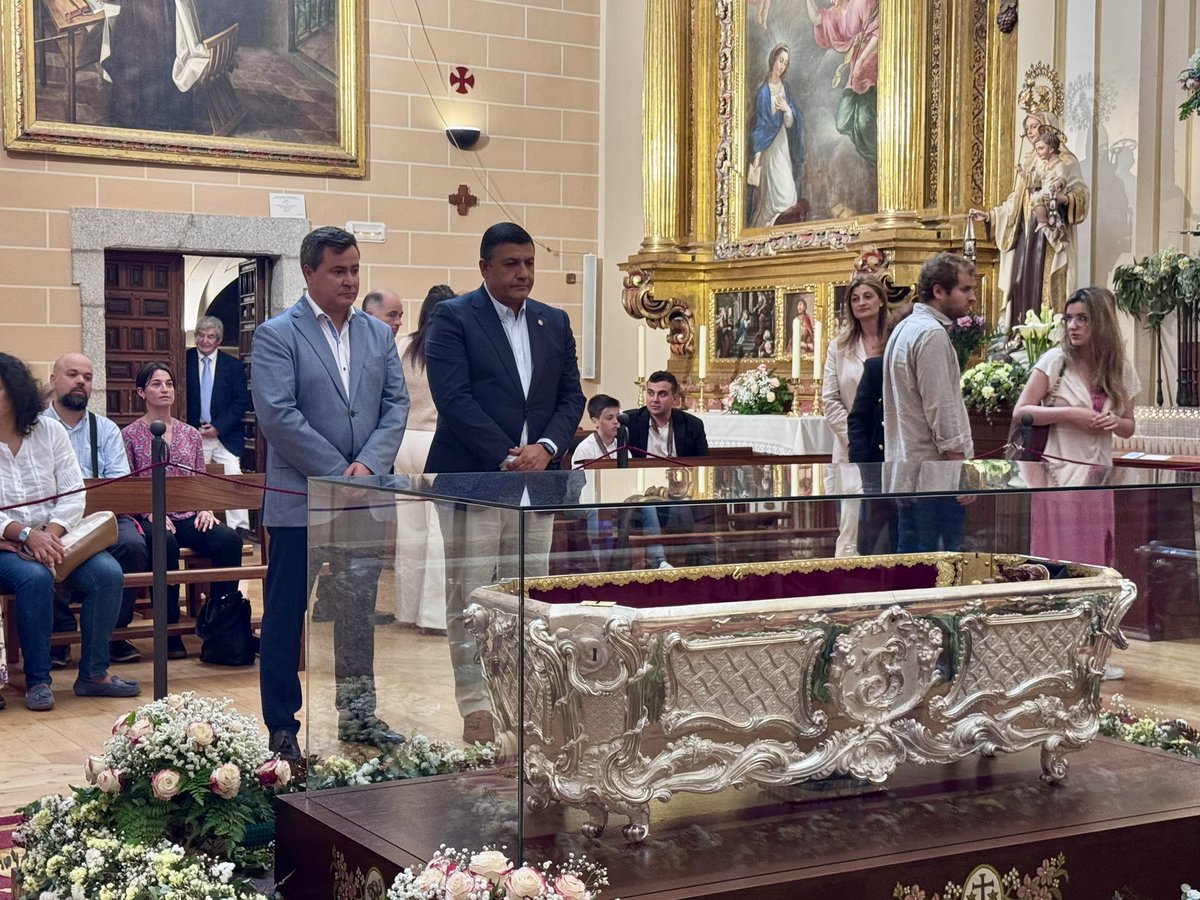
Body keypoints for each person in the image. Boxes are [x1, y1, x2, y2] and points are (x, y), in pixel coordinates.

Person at [252, 226, 409, 761]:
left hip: (364, 498)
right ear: (309, 273)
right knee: (285, 613)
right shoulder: (277, 334)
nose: (349, 280)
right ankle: (281, 726)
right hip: (300, 502)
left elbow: (396, 406)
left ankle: (359, 715)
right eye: (339, 270)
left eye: (355, 269)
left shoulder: (377, 334)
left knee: (357, 611)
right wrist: (338, 472)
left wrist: (367, 466)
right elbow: (279, 415)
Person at [425, 222, 585, 745]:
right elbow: (453, 398)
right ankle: (476, 705)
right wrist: (506, 454)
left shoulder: (553, 321)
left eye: (529, 263)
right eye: (511, 264)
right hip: (475, 477)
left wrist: (548, 450)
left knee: (527, 595)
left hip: (537, 484)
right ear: (484, 268)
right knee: (471, 598)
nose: (523, 273)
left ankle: (524, 699)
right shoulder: (453, 318)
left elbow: (570, 399)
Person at [0, 353, 139, 711]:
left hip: (57, 537)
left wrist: (51, 533)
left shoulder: (49, 431)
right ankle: (38, 680)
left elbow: (74, 493)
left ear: (16, 392)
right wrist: (26, 535)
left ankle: (93, 674)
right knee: (34, 579)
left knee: (108, 574)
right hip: (7, 546)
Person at [123, 362, 244, 660]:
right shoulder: (129, 435)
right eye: (156, 384)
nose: (164, 389)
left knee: (228, 539)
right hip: (150, 516)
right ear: (141, 392)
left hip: (188, 514)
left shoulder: (190, 434)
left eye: (169, 384)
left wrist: (205, 507)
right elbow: (128, 483)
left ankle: (221, 626)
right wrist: (151, 512)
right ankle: (170, 631)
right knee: (166, 543)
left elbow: (199, 478)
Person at [44, 353, 150, 665]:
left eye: (87, 377)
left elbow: (118, 483)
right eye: (73, 374)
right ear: (54, 381)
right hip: (51, 517)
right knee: (46, 546)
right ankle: (58, 635)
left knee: (133, 545)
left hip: (101, 517)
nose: (80, 382)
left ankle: (116, 634)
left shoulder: (104, 429)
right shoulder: (36, 427)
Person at [883, 253, 976, 552]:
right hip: (936, 478)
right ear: (938, 291)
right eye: (965, 289)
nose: (973, 297)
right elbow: (941, 409)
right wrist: (962, 473)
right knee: (938, 568)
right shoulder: (931, 334)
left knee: (911, 563)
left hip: (910, 471)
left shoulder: (905, 328)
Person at [969, 110, 1089, 323]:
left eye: (1034, 126)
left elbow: (1080, 194)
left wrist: (1063, 199)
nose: (1029, 131)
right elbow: (1014, 201)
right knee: (1019, 281)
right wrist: (989, 216)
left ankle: (1045, 335)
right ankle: (1020, 336)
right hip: (1026, 234)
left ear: (1046, 130)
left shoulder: (1066, 161)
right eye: (1028, 128)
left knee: (1045, 286)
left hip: (1049, 236)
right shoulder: (1029, 162)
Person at [392, 284, 457, 633]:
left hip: (403, 441)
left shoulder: (404, 344)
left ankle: (406, 609)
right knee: (437, 532)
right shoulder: (453, 344)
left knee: (410, 531)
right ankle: (433, 616)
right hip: (436, 440)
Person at [822, 274, 887, 556]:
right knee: (851, 520)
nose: (861, 303)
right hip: (853, 444)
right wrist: (856, 440)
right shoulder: (839, 346)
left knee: (886, 519)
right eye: (855, 298)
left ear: (882, 301)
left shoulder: (895, 340)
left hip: (891, 442)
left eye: (867, 296)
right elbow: (831, 399)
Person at [572, 394, 670, 570]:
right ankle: (603, 567)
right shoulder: (585, 449)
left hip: (617, 497)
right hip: (588, 500)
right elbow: (580, 487)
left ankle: (659, 560)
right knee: (598, 510)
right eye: (609, 418)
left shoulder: (623, 447)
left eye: (617, 417)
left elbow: (628, 480)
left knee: (647, 505)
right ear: (595, 422)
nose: (616, 422)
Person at [848, 303, 912, 555]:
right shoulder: (877, 367)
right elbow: (858, 419)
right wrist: (867, 469)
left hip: (915, 470)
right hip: (880, 464)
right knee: (875, 542)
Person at [185, 316, 253, 538]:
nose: (205, 340)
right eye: (201, 335)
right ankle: (198, 521)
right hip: (194, 433)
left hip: (224, 435)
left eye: (210, 336)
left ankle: (239, 527)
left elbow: (240, 401)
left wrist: (218, 427)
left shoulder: (232, 366)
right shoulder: (183, 360)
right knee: (196, 478)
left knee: (233, 475)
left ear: (219, 340)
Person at [748, 43, 804, 228]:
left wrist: (787, 110)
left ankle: (777, 230)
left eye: (785, 63)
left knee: (788, 195)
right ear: (773, 59)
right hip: (768, 150)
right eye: (780, 60)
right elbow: (761, 126)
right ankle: (766, 230)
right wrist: (757, 155)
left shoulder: (785, 88)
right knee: (771, 200)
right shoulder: (763, 92)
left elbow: (789, 122)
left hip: (781, 145)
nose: (782, 66)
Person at [624, 371, 709, 459]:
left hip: (677, 471)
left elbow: (702, 463)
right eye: (650, 393)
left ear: (675, 399)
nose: (655, 399)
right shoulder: (629, 421)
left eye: (662, 394)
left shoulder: (693, 425)